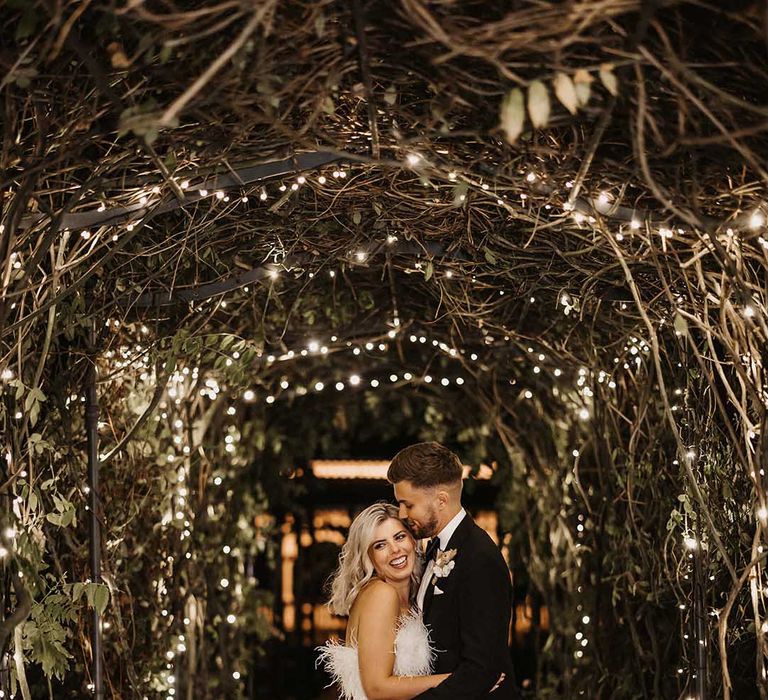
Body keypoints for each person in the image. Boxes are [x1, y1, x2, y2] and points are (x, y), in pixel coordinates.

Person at [388, 441, 519, 699]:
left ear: (441, 500)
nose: (401, 513)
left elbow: (481, 669)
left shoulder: (479, 558)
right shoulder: (434, 548)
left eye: (408, 504)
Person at [317, 502, 450, 699]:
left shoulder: (416, 595)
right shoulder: (381, 594)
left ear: (413, 541)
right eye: (380, 545)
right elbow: (377, 688)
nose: (395, 549)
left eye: (399, 537)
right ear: (368, 557)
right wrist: (463, 680)